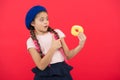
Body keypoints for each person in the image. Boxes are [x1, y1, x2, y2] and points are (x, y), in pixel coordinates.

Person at [25, 5, 86, 80]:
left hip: (62, 72)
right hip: (45, 75)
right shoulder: (30, 41)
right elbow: (41, 66)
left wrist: (80, 45)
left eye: (47, 19)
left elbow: (68, 55)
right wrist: (53, 48)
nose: (45, 22)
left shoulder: (57, 33)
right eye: (41, 20)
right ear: (33, 23)